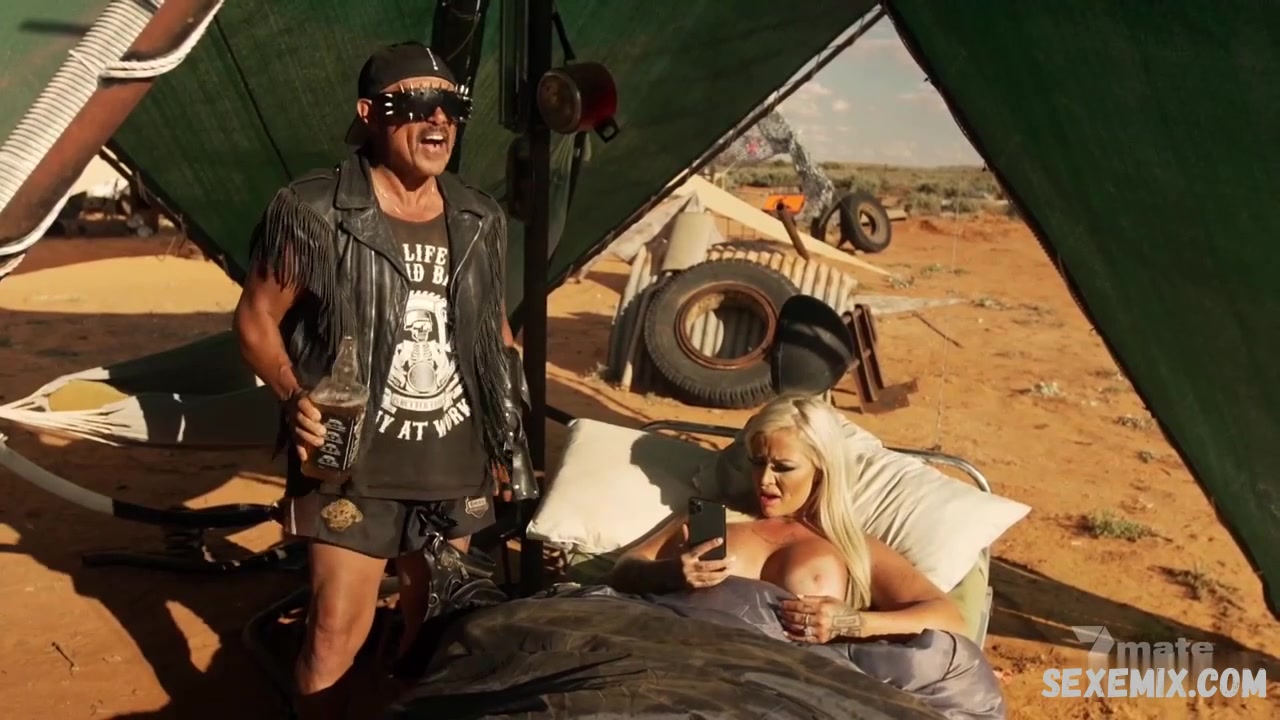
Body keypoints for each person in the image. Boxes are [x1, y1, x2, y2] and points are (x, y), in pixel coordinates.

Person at [231, 41, 533, 719]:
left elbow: (496, 332)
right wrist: (293, 395)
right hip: (351, 462)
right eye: (416, 102)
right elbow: (255, 318)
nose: (438, 118)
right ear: (369, 114)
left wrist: (509, 439)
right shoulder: (314, 209)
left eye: (451, 105)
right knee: (335, 634)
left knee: (435, 631)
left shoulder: (480, 216)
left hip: (453, 460)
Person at [606, 393, 966, 644]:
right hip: (683, 654)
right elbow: (624, 569)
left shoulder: (850, 546)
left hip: (786, 684)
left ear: (821, 470)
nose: (764, 479)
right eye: (757, 462)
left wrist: (852, 622)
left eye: (783, 467)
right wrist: (669, 573)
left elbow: (950, 619)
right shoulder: (715, 516)